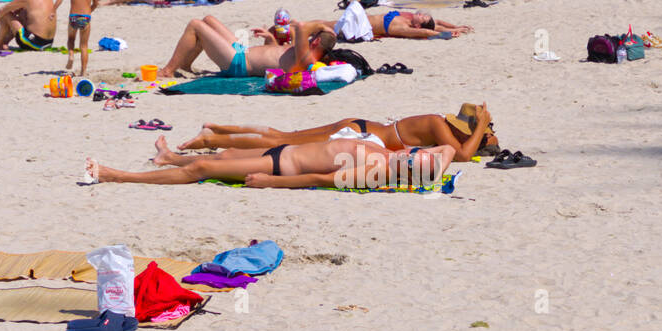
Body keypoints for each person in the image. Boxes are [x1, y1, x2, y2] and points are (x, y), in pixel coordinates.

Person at [86, 130, 453, 190]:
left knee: (203, 169)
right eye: (417, 152)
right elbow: (447, 152)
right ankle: (170, 156)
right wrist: (428, 164)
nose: (413, 152)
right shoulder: (393, 156)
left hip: (280, 168)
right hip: (282, 154)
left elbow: (322, 180)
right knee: (226, 154)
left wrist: (272, 182)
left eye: (413, 159)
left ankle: (117, 176)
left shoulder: (378, 170)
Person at [180, 102, 497, 159]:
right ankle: (211, 138)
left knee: (283, 137)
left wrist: (483, 130)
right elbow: (464, 156)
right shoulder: (437, 124)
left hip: (359, 126)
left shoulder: (438, 126)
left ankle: (216, 132)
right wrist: (482, 125)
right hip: (358, 134)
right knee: (280, 143)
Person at [160, 16, 335, 79]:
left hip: (238, 63)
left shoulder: (305, 58)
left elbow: (301, 26)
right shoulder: (302, 52)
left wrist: (321, 26)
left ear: (316, 42)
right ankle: (184, 65)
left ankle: (168, 70)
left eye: (314, 36)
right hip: (243, 52)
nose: (310, 36)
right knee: (208, 20)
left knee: (195, 25)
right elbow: (276, 56)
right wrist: (270, 38)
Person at [299, 8, 472, 40]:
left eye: (423, 18)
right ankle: (300, 25)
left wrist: (446, 34)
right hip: (361, 18)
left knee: (326, 26)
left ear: (418, 26)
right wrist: (457, 27)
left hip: (358, 28)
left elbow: (428, 32)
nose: (422, 14)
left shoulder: (404, 28)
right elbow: (438, 23)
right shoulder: (409, 17)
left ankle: (300, 27)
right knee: (326, 23)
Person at [55, 0, 99, 75]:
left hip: (73, 17)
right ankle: (83, 71)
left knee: (71, 39)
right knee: (84, 46)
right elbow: (96, 3)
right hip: (85, 18)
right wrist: (89, 11)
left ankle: (71, 55)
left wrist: (53, 10)